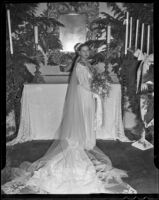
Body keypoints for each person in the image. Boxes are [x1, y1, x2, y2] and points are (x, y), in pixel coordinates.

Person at [2, 43, 136, 194]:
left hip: (88, 95)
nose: (86, 53)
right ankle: (83, 141)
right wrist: (97, 89)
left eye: (87, 50)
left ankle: (86, 140)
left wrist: (97, 85)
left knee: (88, 117)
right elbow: (85, 83)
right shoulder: (79, 64)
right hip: (84, 95)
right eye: (83, 50)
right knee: (85, 117)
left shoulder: (87, 63)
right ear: (78, 52)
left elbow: (90, 80)